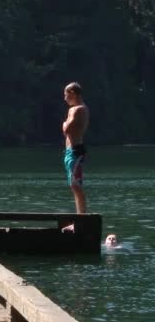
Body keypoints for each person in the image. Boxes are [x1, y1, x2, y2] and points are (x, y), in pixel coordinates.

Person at [61, 82, 90, 233]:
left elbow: (67, 129)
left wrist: (64, 123)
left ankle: (81, 221)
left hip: (75, 151)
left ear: (73, 92)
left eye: (66, 94)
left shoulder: (77, 109)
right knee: (74, 186)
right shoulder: (76, 109)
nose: (65, 97)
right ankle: (79, 220)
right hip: (71, 152)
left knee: (76, 185)